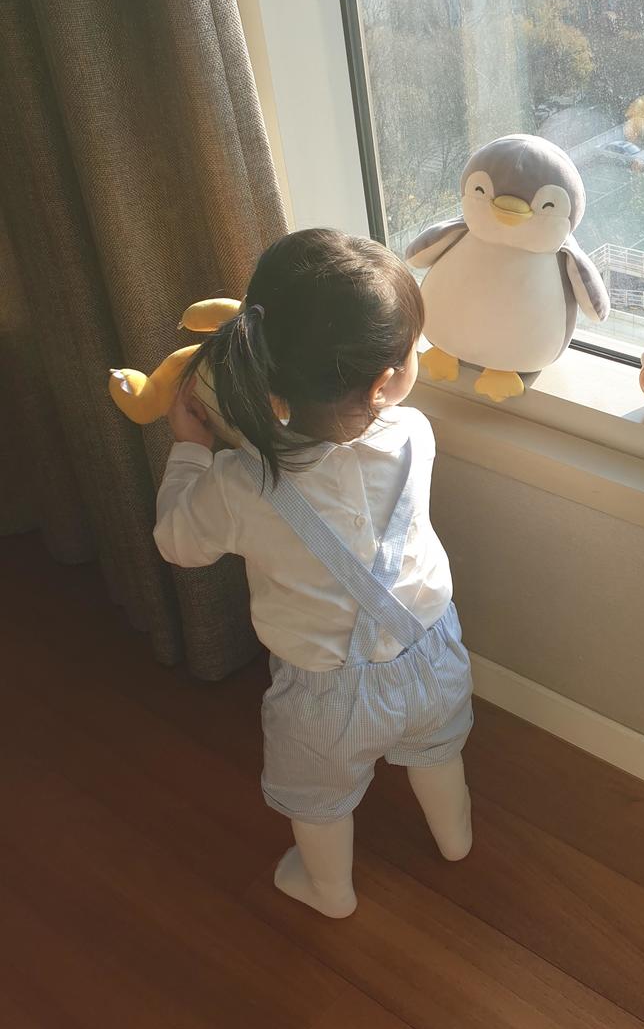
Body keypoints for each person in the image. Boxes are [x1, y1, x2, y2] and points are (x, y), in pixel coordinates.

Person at [154, 228, 473, 919]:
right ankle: (455, 840)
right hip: (432, 655)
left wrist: (190, 450)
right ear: (385, 384)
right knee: (436, 754)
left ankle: (329, 891)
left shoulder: (238, 483)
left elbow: (178, 543)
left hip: (323, 694)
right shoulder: (413, 434)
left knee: (320, 801)